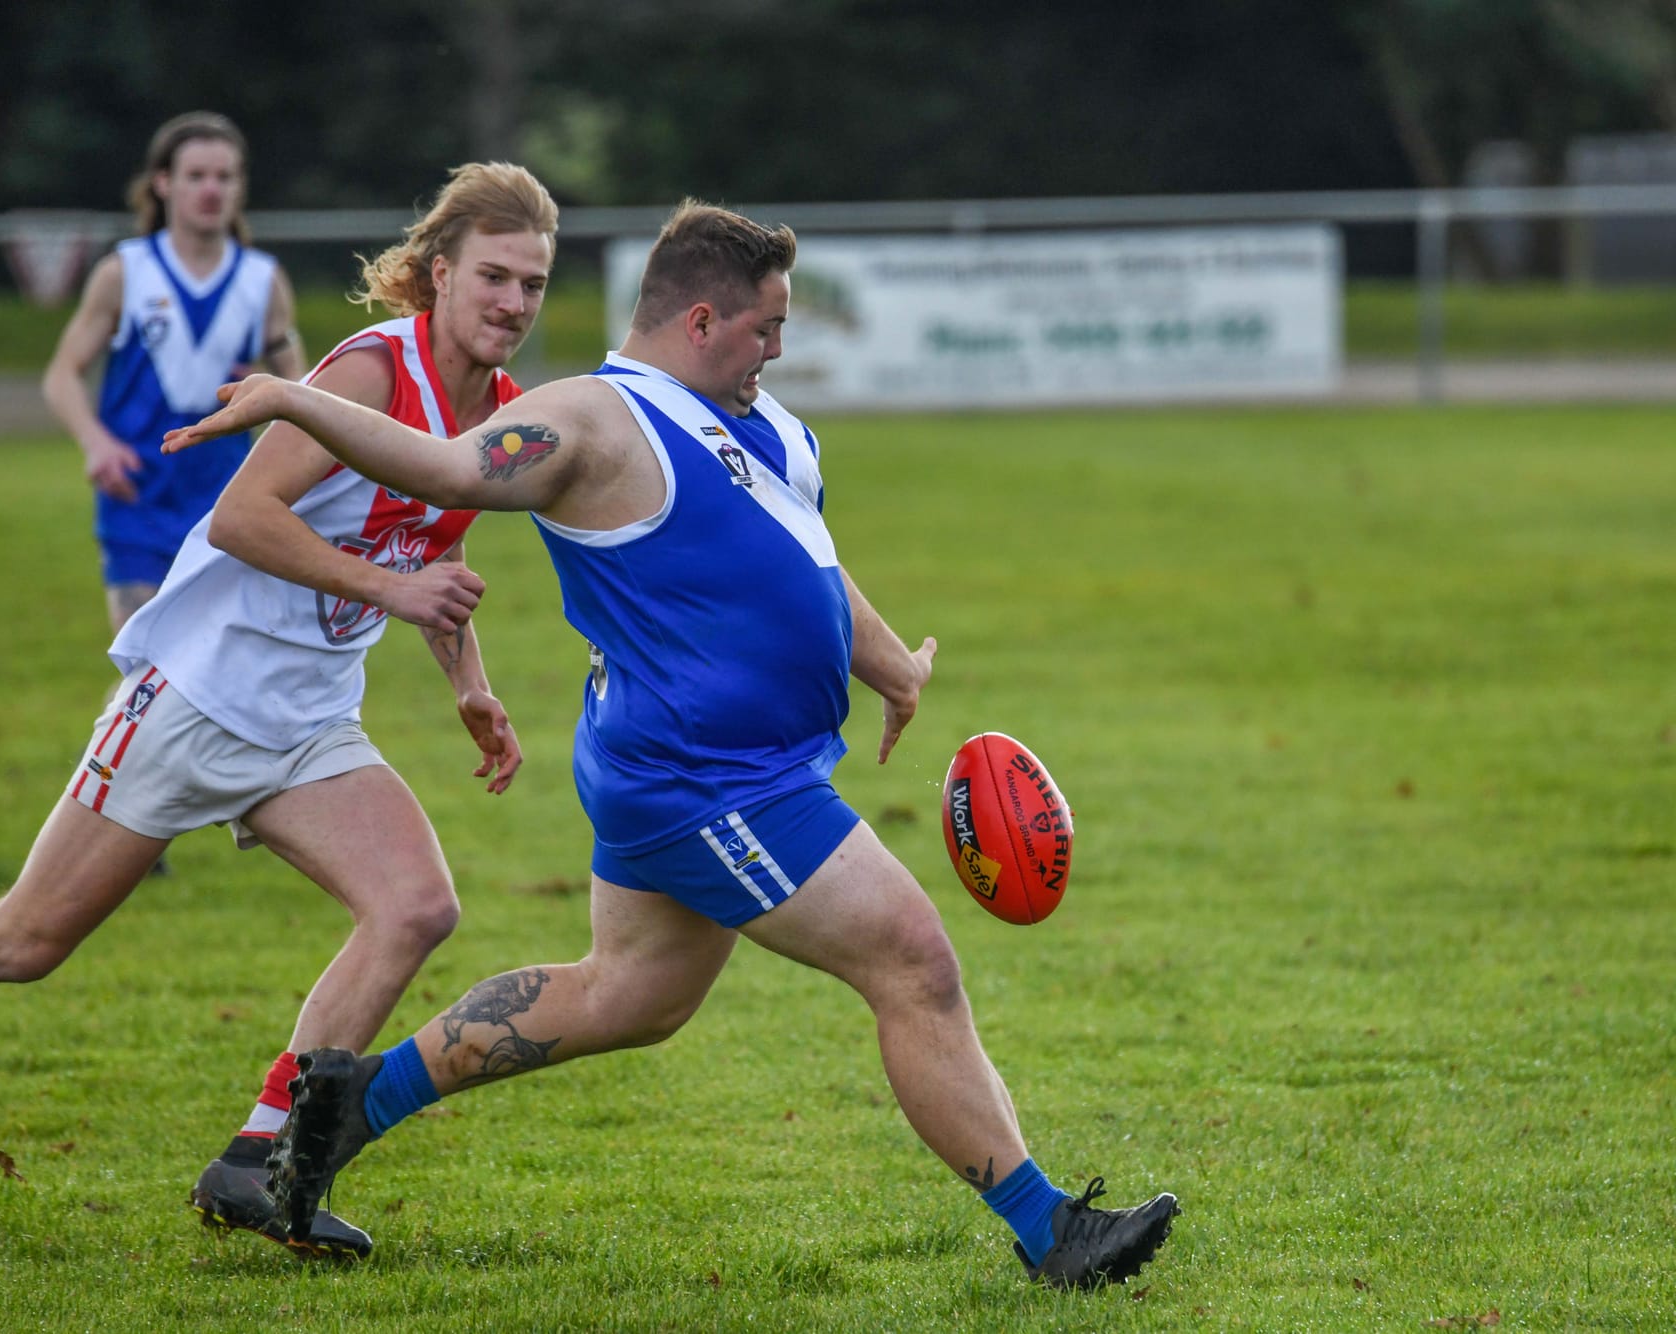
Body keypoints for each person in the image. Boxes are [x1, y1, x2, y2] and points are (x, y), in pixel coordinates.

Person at [159, 201, 1184, 1290]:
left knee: (629, 995)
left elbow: (804, 556)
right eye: (763, 328)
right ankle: (1050, 1234)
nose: (775, 348)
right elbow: (449, 470)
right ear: (700, 321)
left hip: (732, 765)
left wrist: (887, 662)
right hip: (704, 778)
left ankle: (354, 1103)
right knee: (911, 958)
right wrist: (295, 400)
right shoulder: (589, 422)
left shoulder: (761, 420)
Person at [0, 163, 562, 1262]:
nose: (513, 302)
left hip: (306, 722)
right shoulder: (369, 374)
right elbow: (243, 517)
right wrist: (390, 593)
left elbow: (425, 551)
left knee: (415, 907)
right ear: (437, 273)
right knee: (25, 939)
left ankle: (253, 1162)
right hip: (193, 697)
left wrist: (468, 682)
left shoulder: (498, 407)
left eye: (533, 283)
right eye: (494, 276)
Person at [41, 112, 305, 640]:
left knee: (215, 664)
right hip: (137, 497)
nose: (211, 190)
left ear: (240, 187)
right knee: (143, 658)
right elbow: (62, 375)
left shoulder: (263, 281)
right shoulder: (125, 272)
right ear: (163, 183)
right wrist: (96, 444)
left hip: (229, 501)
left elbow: (305, 393)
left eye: (224, 177)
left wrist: (273, 398)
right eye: (196, 176)